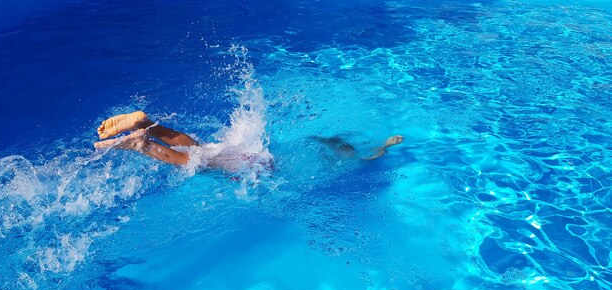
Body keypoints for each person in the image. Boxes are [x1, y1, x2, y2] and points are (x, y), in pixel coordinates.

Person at [94, 111, 403, 168]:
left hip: (254, 149)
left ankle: (149, 125)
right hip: (261, 166)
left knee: (202, 149)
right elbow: (368, 157)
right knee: (196, 163)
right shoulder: (346, 160)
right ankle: (142, 143)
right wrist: (386, 147)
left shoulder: (316, 141)